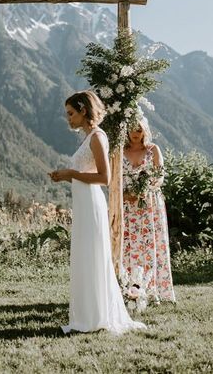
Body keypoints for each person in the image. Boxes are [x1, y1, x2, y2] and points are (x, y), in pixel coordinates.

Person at [49, 90, 146, 335]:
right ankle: (86, 315)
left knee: (92, 256)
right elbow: (85, 176)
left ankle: (97, 316)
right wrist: (65, 176)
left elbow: (105, 177)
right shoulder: (87, 138)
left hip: (92, 205)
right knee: (85, 257)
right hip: (83, 203)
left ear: (83, 110)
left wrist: (70, 174)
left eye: (71, 113)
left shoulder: (97, 137)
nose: (68, 118)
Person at [122, 117, 175, 303]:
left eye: (139, 129)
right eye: (132, 129)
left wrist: (146, 188)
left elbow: (160, 176)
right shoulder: (120, 151)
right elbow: (114, 179)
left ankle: (154, 289)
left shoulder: (153, 150)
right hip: (127, 205)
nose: (136, 132)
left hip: (149, 204)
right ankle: (127, 289)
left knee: (151, 244)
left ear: (145, 130)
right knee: (128, 246)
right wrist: (125, 194)